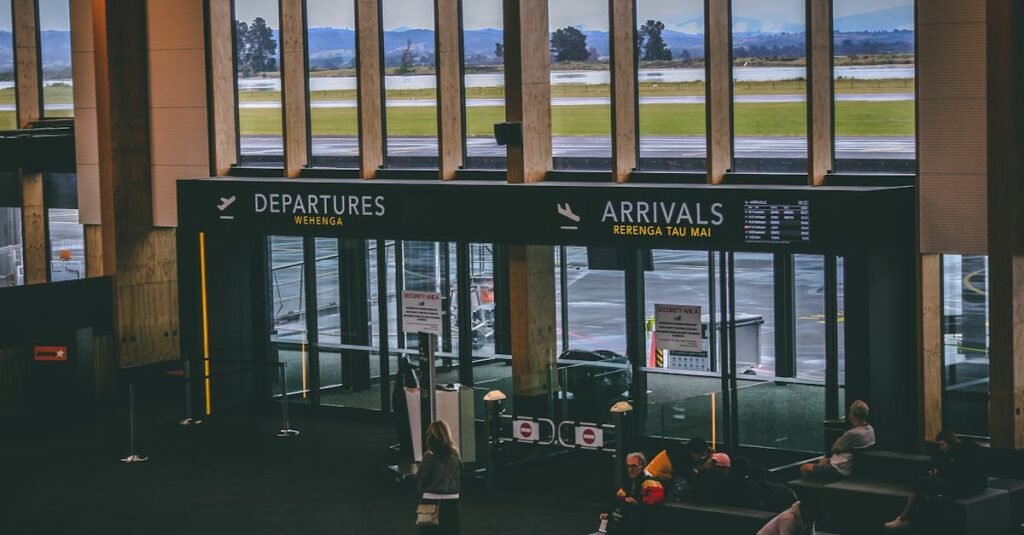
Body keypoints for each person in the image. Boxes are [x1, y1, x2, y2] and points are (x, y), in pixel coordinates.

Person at [883, 430, 987, 530]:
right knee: (924, 484)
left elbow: (959, 475)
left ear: (949, 442)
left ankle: (902, 519)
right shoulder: (967, 448)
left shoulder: (960, 454)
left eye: (942, 444)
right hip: (977, 486)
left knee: (920, 484)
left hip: (966, 489)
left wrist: (939, 474)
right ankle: (911, 520)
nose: (941, 448)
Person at [801, 400, 876, 481]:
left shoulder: (852, 433)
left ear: (852, 415)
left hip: (840, 468)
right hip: (847, 463)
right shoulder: (870, 429)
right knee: (822, 461)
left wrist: (839, 439)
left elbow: (834, 449)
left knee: (804, 467)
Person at [596, 452, 665, 534]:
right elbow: (618, 499)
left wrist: (636, 502)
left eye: (634, 466)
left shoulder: (651, 482)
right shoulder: (628, 482)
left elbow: (656, 501)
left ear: (642, 466)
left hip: (643, 526)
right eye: (628, 466)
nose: (630, 470)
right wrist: (608, 513)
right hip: (628, 524)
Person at [417, 420, 462, 534]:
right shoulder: (455, 454)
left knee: (428, 531)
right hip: (452, 499)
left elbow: (423, 478)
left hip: (431, 498)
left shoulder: (429, 456)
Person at [644, 437, 711, 500]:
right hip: (654, 478)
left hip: (655, 474)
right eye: (702, 456)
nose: (703, 458)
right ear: (693, 453)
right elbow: (688, 475)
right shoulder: (681, 459)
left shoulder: (681, 450)